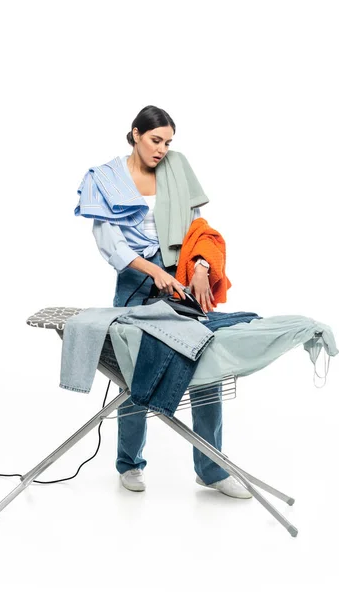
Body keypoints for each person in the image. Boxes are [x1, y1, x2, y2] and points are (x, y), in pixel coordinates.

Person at [88, 105, 252, 499]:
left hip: (180, 282)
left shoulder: (176, 169)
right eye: (155, 140)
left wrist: (197, 265)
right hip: (134, 284)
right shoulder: (106, 179)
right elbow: (110, 243)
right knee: (133, 374)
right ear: (135, 134)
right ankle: (129, 463)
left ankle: (211, 469)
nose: (162, 149)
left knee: (206, 365)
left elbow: (196, 226)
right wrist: (153, 271)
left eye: (168, 142)